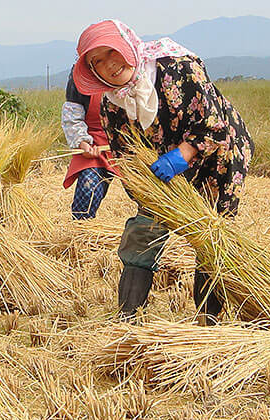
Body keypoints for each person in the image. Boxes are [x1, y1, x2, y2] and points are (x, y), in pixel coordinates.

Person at [70, 20, 253, 322]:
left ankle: (208, 321)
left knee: (212, 235)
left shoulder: (179, 67)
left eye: (111, 52)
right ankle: (128, 317)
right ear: (93, 72)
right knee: (142, 231)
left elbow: (215, 126)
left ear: (127, 45)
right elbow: (125, 158)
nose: (109, 65)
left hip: (217, 157)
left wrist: (183, 154)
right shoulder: (112, 105)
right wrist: (146, 189)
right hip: (161, 175)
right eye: (97, 61)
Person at [60, 63, 112, 220]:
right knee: (88, 189)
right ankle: (81, 232)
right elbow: (73, 115)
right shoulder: (80, 74)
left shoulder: (135, 71)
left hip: (130, 144)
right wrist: (83, 143)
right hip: (94, 141)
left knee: (145, 197)